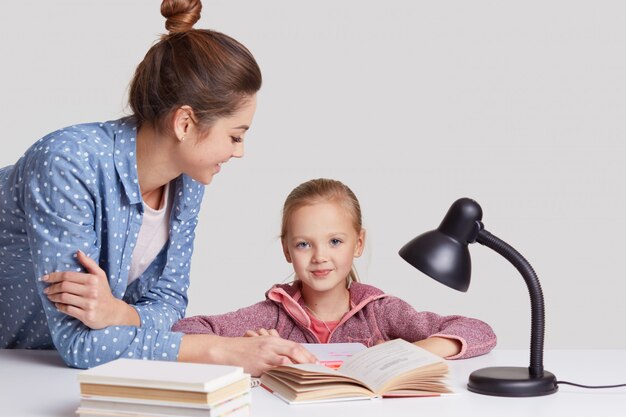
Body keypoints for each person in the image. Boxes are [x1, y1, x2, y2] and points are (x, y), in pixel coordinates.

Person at [0, 0, 315, 375]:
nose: (240, 152)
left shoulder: (187, 179)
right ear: (185, 123)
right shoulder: (66, 163)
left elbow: (168, 304)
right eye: (235, 136)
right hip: (18, 365)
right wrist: (221, 351)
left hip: (44, 371)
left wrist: (119, 313)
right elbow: (80, 343)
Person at [172, 178, 497, 361]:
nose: (320, 256)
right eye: (304, 244)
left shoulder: (381, 313)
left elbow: (480, 331)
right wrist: (244, 348)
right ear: (287, 250)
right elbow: (184, 330)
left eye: (335, 242)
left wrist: (413, 351)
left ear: (358, 243)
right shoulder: (271, 316)